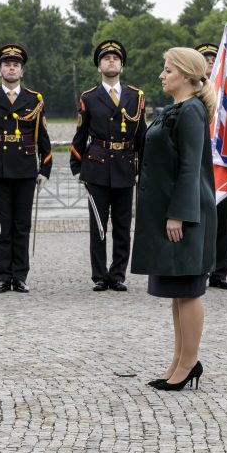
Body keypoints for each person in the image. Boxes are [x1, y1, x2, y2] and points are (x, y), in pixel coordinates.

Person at [131, 47, 217, 391]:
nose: (161, 76)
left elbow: (190, 167)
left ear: (184, 74)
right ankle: (179, 361)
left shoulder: (192, 111)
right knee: (178, 290)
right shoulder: (177, 109)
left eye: (167, 70)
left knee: (189, 289)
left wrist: (178, 215)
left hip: (185, 215)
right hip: (171, 212)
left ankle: (189, 363)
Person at [0, 44, 52, 293]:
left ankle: (20, 277)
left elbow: (43, 138)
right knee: (1, 226)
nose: (11, 68)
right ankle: (3, 277)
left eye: (16, 65)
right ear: (0, 70)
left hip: (26, 169)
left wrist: (44, 170)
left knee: (21, 225)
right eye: (7, 64)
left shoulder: (34, 99)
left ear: (22, 71)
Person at [69, 40, 146, 292]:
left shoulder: (136, 96)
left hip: (125, 165)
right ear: (99, 66)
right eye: (106, 58)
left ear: (122, 65)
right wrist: (77, 165)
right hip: (97, 166)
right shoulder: (89, 97)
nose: (111, 61)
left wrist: (144, 169)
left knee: (123, 226)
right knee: (99, 226)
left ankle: (118, 274)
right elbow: (81, 134)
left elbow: (141, 136)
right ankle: (100, 275)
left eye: (115, 58)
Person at [196, 42, 227, 290]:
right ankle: (198, 268)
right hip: (198, 162)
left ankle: (220, 272)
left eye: (212, 58)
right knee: (198, 218)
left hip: (222, 162)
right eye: (204, 57)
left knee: (223, 221)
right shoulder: (190, 89)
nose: (209, 61)